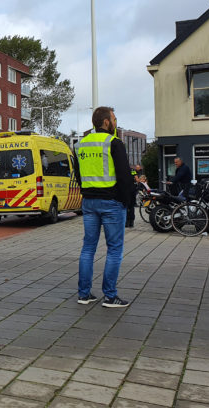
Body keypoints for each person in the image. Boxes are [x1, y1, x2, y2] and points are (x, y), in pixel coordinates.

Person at [72, 106, 132, 308]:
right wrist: (127, 203)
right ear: (106, 122)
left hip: (89, 202)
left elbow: (79, 176)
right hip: (112, 202)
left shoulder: (80, 145)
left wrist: (87, 193)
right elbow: (124, 177)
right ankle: (110, 296)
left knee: (88, 248)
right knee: (114, 249)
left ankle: (84, 294)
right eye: (114, 119)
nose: (116, 122)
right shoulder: (114, 143)